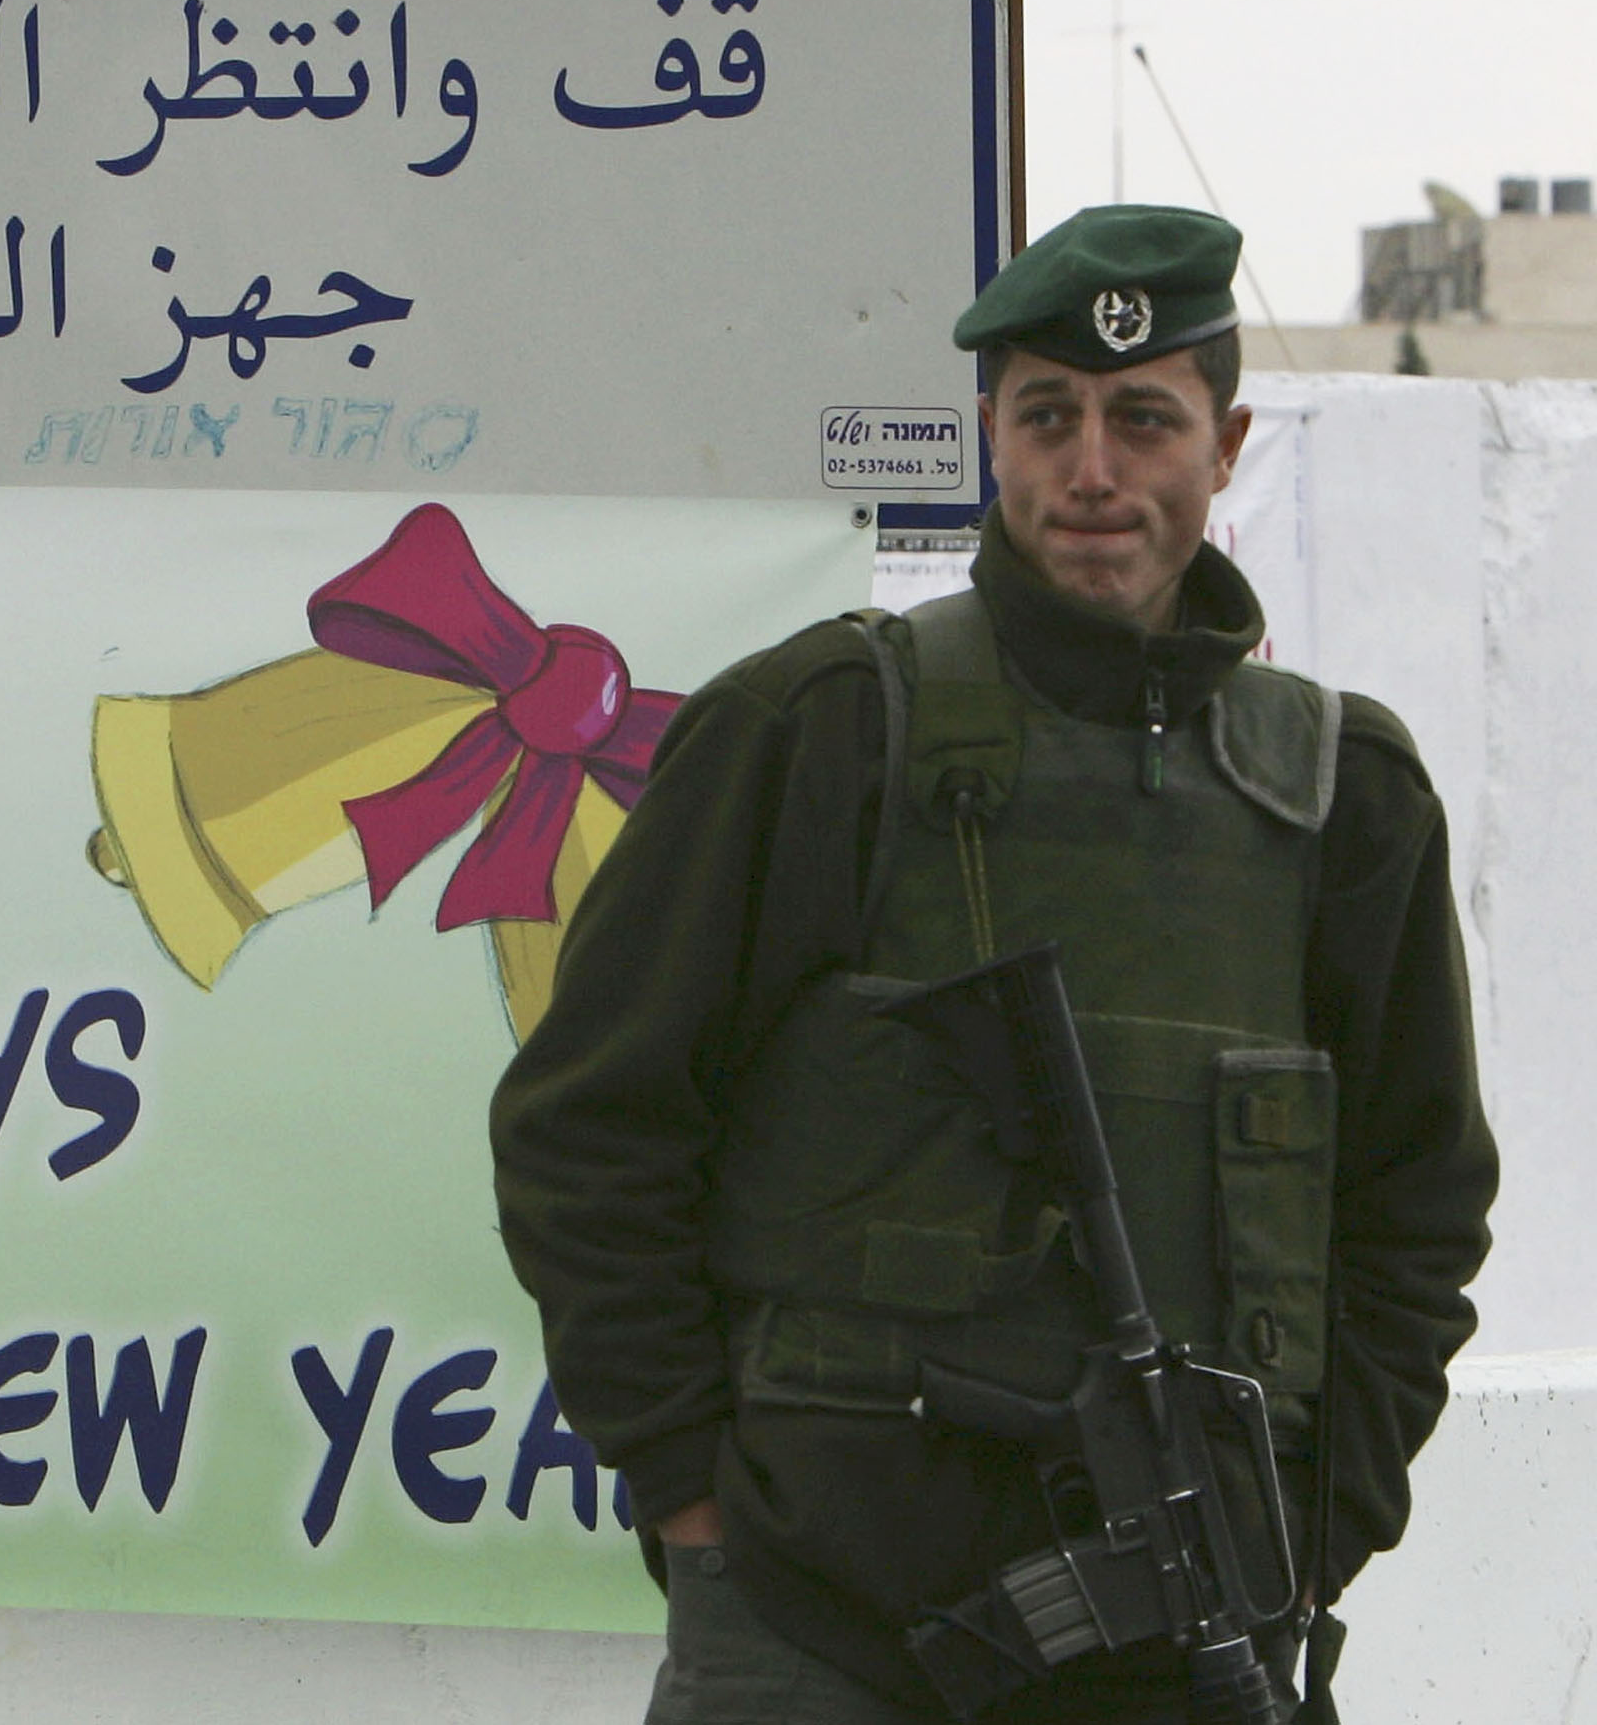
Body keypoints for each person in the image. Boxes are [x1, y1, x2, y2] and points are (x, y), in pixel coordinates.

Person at [490, 205, 1496, 1723]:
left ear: (1223, 450)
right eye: (1050, 417)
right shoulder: (824, 731)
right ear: (992, 438)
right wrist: (694, 1498)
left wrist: (1308, 1530)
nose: (1093, 470)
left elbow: (1417, 1212)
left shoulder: (1346, 800)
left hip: (1186, 1638)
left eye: (1143, 420)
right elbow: (589, 1127)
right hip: (820, 1632)